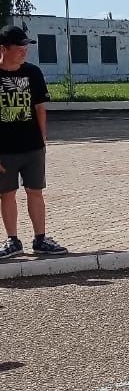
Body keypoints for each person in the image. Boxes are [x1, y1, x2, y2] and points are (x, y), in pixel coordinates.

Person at [0, 24, 67, 258]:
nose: (24, 51)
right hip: (4, 150)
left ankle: (40, 239)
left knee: (35, 191)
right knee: (6, 194)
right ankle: (12, 241)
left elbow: (40, 107)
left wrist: (43, 139)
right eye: (19, 47)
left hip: (32, 147)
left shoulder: (33, 73)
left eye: (25, 47)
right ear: (3, 49)